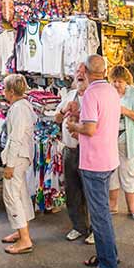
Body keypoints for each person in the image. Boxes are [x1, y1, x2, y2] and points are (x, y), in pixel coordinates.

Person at [68, 55, 121, 268]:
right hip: (108, 158)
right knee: (102, 213)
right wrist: (82, 116)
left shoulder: (90, 93)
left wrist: (73, 124)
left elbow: (89, 129)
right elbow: (101, 120)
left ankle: (108, 267)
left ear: (87, 72)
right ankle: (107, 255)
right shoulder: (111, 91)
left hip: (95, 161)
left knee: (99, 215)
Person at [54, 64, 93, 244]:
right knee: (72, 191)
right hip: (69, 150)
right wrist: (64, 110)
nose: (80, 75)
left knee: (90, 193)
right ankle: (78, 226)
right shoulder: (70, 95)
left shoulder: (93, 97)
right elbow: (57, 118)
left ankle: (94, 229)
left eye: (84, 72)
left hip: (87, 151)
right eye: (78, 72)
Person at [0, 74, 38, 255]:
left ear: (11, 92)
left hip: (18, 156)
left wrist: (10, 164)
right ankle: (22, 230)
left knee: (11, 195)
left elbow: (14, 139)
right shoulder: (25, 106)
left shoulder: (18, 109)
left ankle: (24, 239)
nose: (3, 92)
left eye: (5, 89)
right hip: (23, 155)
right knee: (20, 193)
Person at [108, 66, 134, 223]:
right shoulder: (108, 93)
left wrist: (126, 111)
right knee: (112, 173)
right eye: (114, 81)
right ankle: (112, 205)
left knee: (129, 173)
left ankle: (132, 207)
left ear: (127, 81)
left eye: (120, 81)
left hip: (130, 139)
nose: (117, 85)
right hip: (110, 140)